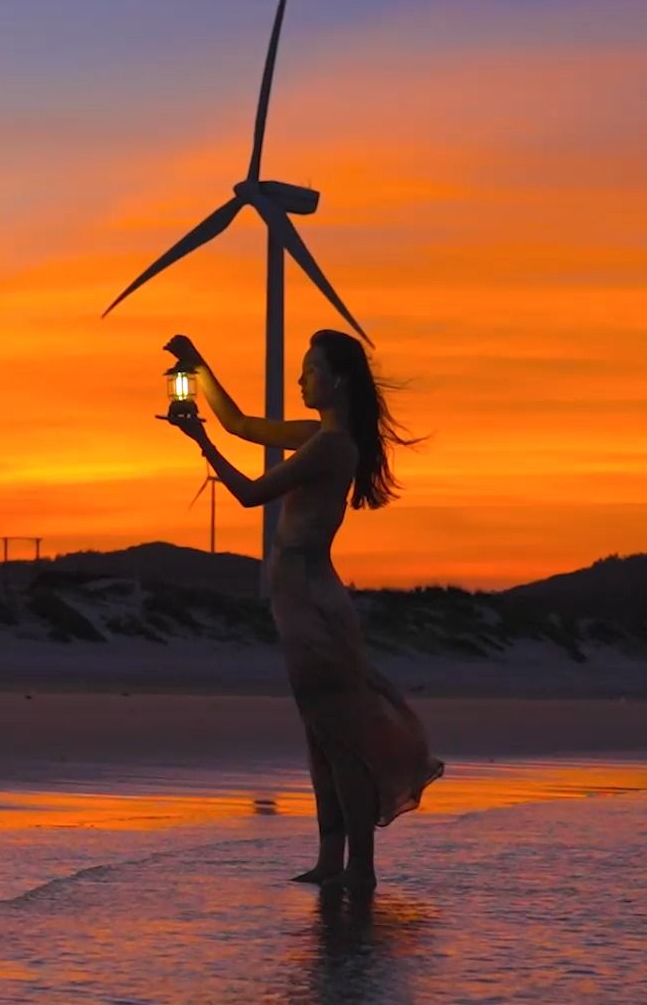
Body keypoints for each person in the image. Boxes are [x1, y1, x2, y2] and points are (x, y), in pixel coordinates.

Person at [162, 330, 443, 892]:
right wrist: (201, 366)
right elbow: (243, 424)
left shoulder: (331, 446)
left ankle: (359, 870)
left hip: (312, 605)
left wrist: (198, 441)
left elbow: (248, 493)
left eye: (309, 370)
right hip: (301, 600)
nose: (299, 380)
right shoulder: (321, 438)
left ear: (337, 379)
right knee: (320, 736)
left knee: (340, 739)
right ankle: (332, 863)